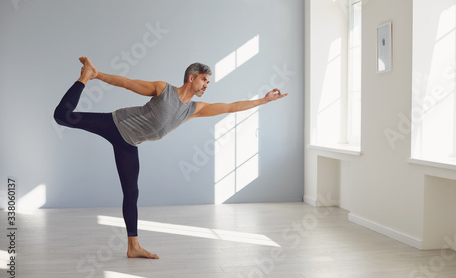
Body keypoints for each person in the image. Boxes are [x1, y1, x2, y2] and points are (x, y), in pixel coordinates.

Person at [53, 57, 288, 259]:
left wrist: (264, 100)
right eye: (204, 79)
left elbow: (232, 107)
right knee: (63, 116)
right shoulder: (163, 90)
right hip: (115, 124)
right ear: (191, 77)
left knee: (132, 192)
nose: (207, 84)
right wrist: (97, 75)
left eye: (208, 81)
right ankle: (85, 76)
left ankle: (133, 247)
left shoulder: (193, 109)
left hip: (129, 143)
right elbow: (127, 83)